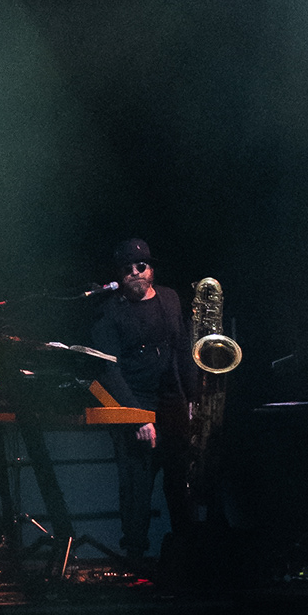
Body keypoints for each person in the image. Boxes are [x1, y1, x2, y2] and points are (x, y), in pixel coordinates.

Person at [89, 238, 200, 567]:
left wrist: (192, 396)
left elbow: (182, 348)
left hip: (171, 402)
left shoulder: (169, 298)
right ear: (120, 275)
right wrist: (137, 416)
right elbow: (108, 370)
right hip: (135, 403)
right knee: (137, 486)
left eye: (141, 266)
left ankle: (186, 555)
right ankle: (135, 559)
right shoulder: (109, 310)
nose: (136, 272)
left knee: (180, 483)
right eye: (128, 269)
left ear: (151, 269)